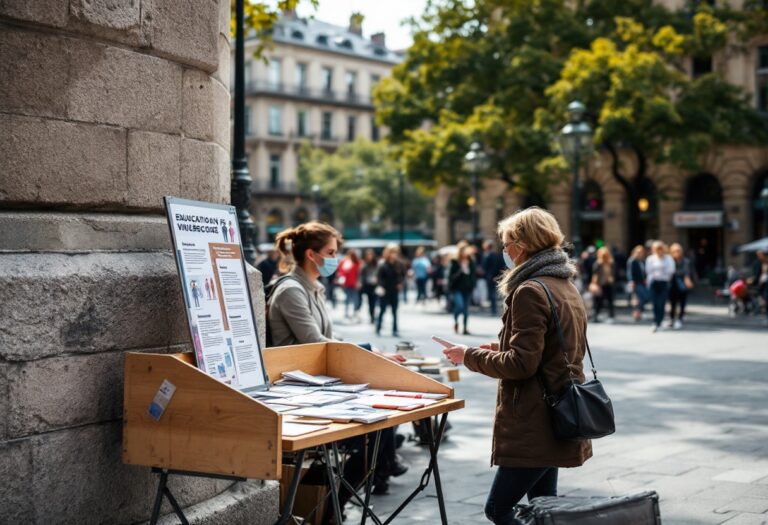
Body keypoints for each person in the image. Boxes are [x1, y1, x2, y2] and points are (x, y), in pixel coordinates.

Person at [442, 207, 592, 525]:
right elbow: (555, 347)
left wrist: (468, 356)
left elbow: (522, 364)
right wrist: (500, 348)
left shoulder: (529, 290)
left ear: (522, 245)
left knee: (498, 509)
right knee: (543, 507)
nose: (504, 250)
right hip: (559, 414)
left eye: (507, 242)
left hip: (535, 420)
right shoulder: (565, 285)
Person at [267, 223, 407, 516]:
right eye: (331, 252)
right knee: (374, 434)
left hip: (319, 385)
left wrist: (373, 351)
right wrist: (367, 352)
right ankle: (335, 505)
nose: (335, 258)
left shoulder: (313, 288)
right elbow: (316, 343)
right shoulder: (291, 290)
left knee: (384, 419)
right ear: (311, 254)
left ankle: (341, 500)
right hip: (298, 391)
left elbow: (334, 339)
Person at [376, 243, 406, 337]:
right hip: (385, 291)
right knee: (382, 310)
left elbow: (403, 275)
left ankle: (395, 329)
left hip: (394, 291)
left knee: (394, 311)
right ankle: (378, 327)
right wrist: (381, 286)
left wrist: (401, 283)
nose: (394, 255)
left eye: (396, 252)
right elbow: (379, 278)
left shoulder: (400, 264)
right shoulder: (383, 264)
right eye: (392, 252)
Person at [645, 241, 676, 332]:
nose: (659, 251)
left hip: (664, 283)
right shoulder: (651, 259)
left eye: (660, 249)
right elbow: (648, 270)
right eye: (657, 249)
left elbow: (671, 270)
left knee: (661, 303)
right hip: (654, 282)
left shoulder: (668, 258)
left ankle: (660, 320)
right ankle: (656, 321)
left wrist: (661, 271)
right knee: (654, 303)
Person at [448, 243, 477, 335]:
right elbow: (451, 277)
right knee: (459, 306)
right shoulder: (454, 261)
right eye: (464, 250)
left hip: (467, 288)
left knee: (465, 309)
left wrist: (473, 285)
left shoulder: (471, 260)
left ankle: (465, 328)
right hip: (457, 288)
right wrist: (461, 270)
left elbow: (473, 275)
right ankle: (456, 321)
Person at [668, 243, 694, 329]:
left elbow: (687, 272)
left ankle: (680, 319)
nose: (677, 253)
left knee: (682, 303)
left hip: (683, 285)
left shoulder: (686, 261)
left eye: (678, 251)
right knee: (673, 304)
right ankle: (672, 319)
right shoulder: (669, 260)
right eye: (675, 251)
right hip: (672, 285)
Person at [590, 246, 615, 323]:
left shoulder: (611, 263)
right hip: (600, 284)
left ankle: (611, 316)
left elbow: (613, 273)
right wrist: (594, 285)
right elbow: (595, 275)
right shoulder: (598, 264)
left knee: (610, 300)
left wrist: (612, 278)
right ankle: (596, 316)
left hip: (609, 284)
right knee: (598, 301)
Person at [481, 240, 506, 316]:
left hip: (491, 277)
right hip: (493, 277)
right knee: (494, 294)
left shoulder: (491, 255)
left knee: (493, 294)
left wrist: (494, 276)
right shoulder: (494, 255)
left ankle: (494, 309)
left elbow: (493, 267)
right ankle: (494, 309)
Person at [336, 249, 361, 321]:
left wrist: (358, 282)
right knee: (347, 299)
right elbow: (340, 272)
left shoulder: (357, 263)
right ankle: (346, 313)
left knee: (356, 299)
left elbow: (359, 273)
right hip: (346, 284)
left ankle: (355, 312)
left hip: (354, 284)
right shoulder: (344, 262)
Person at [626, 245, 649, 321]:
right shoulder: (632, 260)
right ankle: (638, 312)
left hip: (642, 282)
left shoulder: (642, 260)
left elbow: (644, 272)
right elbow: (629, 272)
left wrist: (645, 279)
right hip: (635, 282)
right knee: (644, 297)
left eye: (641, 252)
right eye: (638, 252)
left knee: (642, 298)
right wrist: (631, 281)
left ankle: (638, 313)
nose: (640, 253)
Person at [358, 249, 379, 324]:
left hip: (374, 286)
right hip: (366, 286)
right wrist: (360, 283)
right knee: (365, 301)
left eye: (371, 255)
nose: (369, 256)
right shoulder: (364, 264)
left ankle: (373, 317)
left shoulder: (376, 264)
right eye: (368, 255)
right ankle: (369, 316)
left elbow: (379, 274)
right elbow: (360, 275)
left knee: (373, 302)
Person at [749, 250, 768, 325]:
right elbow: (759, 275)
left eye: (760, 254)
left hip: (765, 284)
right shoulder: (759, 263)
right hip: (763, 284)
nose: (758, 256)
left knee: (765, 299)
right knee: (765, 300)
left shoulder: (763, 262)